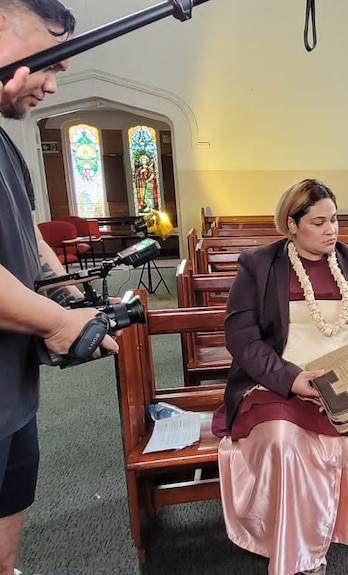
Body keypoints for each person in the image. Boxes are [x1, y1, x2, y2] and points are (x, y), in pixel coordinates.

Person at [211, 179, 348, 575]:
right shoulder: (258, 265)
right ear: (292, 225)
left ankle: (322, 534)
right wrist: (292, 380)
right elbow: (241, 337)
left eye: (335, 220)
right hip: (277, 382)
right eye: (319, 222)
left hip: (346, 381)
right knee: (282, 442)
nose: (332, 230)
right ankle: (297, 550)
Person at [0, 2, 119, 574]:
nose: (51, 81)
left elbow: (31, 240)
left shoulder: (4, 146)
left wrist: (71, 298)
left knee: (12, 499)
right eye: (48, 54)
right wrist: (57, 323)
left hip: (13, 392)